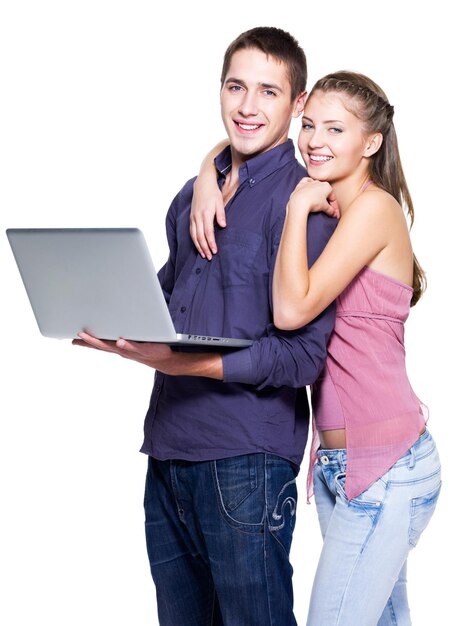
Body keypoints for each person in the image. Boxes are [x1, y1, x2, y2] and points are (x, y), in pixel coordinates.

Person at [73, 27, 336, 626]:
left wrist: (189, 362)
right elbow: (170, 298)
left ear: (297, 106)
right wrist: (110, 318)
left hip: (245, 460)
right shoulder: (194, 193)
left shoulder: (306, 205)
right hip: (168, 450)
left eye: (269, 92)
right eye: (236, 86)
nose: (248, 106)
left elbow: (302, 357)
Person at [190, 71, 441, 625]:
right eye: (309, 125)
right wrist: (210, 172)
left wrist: (298, 209)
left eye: (335, 129)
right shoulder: (329, 198)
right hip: (336, 464)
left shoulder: (373, 210)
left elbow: (290, 311)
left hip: (387, 464)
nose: (314, 141)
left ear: (370, 142)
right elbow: (250, 145)